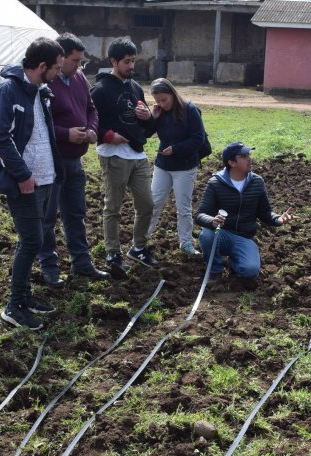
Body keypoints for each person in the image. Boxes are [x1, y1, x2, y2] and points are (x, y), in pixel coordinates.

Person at [0, 38, 64, 330]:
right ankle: (14, 305)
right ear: (41, 66)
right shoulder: (7, 91)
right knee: (31, 240)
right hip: (24, 182)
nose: (58, 73)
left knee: (37, 238)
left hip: (46, 178)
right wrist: (22, 175)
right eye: (55, 68)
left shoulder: (41, 92)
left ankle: (26, 297)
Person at [44, 33, 110, 284]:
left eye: (81, 62)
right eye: (74, 61)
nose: (79, 66)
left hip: (75, 159)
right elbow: (41, 123)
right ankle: (49, 267)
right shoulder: (47, 83)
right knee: (48, 217)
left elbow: (91, 109)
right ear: (60, 58)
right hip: (52, 160)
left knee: (76, 213)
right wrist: (66, 134)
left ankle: (81, 263)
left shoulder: (80, 78)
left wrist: (92, 129)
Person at [91, 37, 159, 274]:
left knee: (147, 204)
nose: (131, 66)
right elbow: (89, 122)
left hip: (137, 154)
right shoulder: (100, 90)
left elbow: (149, 127)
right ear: (113, 61)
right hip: (114, 155)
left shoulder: (135, 87)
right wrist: (108, 135)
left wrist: (147, 117)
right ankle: (113, 254)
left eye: (133, 61)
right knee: (114, 207)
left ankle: (138, 248)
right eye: (127, 62)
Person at [193, 142, 292, 287]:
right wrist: (212, 221)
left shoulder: (257, 182)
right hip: (222, 234)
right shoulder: (215, 183)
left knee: (250, 271)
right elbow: (199, 214)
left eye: (249, 155)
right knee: (207, 235)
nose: (249, 159)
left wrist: (278, 219)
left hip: (244, 237)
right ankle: (215, 270)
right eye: (244, 156)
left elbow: (264, 212)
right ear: (232, 162)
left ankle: (233, 262)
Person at [145, 78, 206, 256]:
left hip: (185, 166)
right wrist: (152, 118)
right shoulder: (159, 112)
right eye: (158, 101)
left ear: (172, 94)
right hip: (163, 165)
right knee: (153, 203)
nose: (162, 104)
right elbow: (147, 133)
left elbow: (198, 138)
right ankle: (141, 240)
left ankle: (186, 243)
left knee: (183, 206)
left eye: (164, 99)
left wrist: (176, 149)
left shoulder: (189, 109)